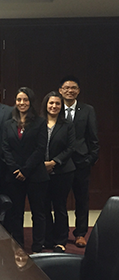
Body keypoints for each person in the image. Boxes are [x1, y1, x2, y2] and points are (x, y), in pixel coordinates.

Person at [1, 87, 49, 253]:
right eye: (19, 100)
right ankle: (19, 244)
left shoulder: (40, 122)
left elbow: (40, 149)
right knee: (16, 212)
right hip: (14, 175)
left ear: (31, 102)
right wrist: (15, 169)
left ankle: (37, 245)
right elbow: (5, 148)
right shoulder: (8, 124)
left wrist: (26, 170)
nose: (22, 103)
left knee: (38, 212)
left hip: (35, 174)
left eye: (25, 100)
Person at [58, 75, 99, 248]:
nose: (69, 91)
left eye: (73, 88)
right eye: (66, 88)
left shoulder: (87, 109)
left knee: (82, 199)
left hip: (81, 162)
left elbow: (94, 138)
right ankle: (61, 233)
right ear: (60, 90)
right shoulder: (55, 107)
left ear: (78, 91)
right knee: (60, 200)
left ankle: (80, 233)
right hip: (61, 162)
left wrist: (90, 159)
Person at [40, 91, 76, 253]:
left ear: (61, 106)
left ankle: (61, 240)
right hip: (41, 171)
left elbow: (70, 148)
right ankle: (47, 239)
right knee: (44, 206)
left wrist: (54, 162)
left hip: (62, 171)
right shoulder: (38, 122)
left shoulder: (67, 124)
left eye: (57, 104)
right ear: (46, 105)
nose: (54, 106)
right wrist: (42, 164)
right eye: (51, 103)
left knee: (60, 206)